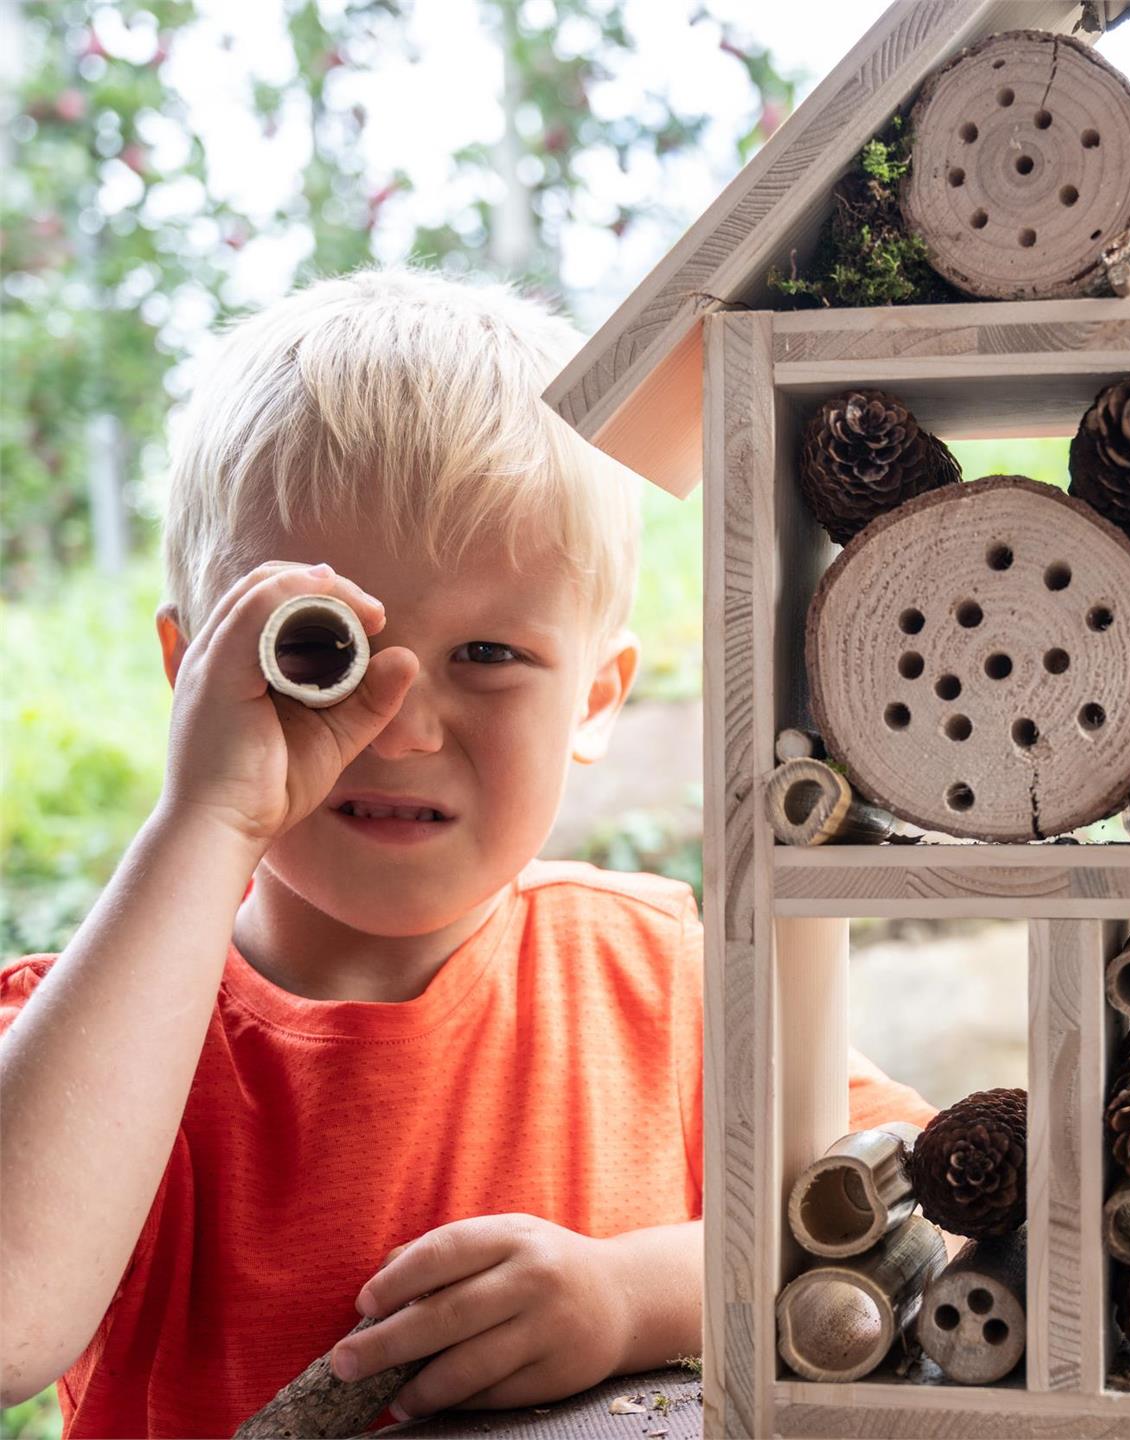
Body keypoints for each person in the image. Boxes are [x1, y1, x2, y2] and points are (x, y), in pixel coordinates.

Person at [0, 268, 937, 1436]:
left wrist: (628, 1294)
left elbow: (926, 1205)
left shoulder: (659, 977)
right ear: (191, 676)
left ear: (595, 700)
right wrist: (206, 817)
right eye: (322, 649)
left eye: (489, 654)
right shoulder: (105, 1028)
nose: (401, 725)